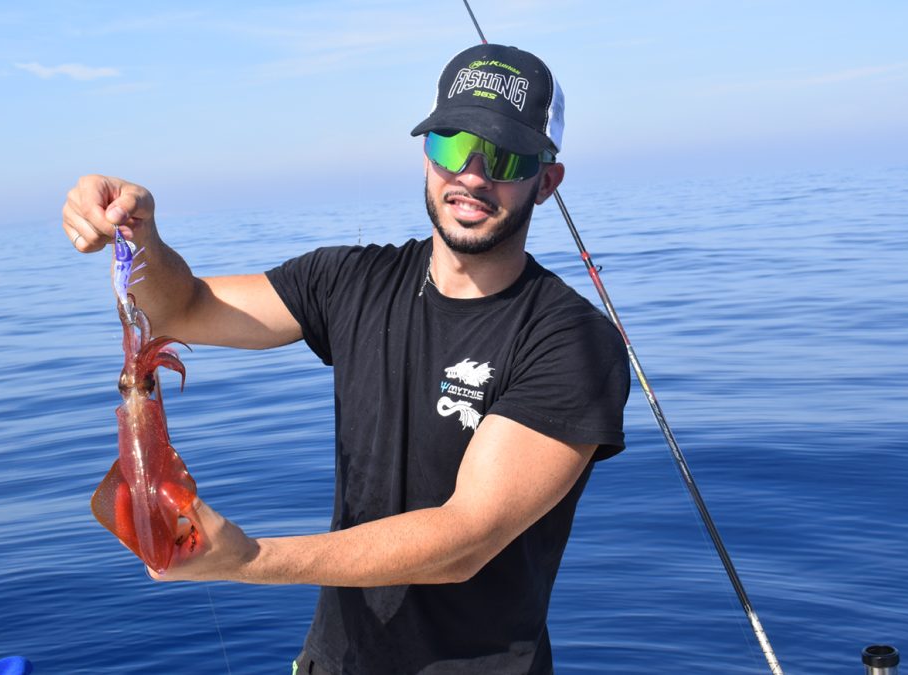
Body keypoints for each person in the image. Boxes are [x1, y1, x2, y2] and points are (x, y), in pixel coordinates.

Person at [63, 43, 630, 675]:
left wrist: (251, 560)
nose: (472, 175)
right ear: (426, 155)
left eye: (505, 156)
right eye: (451, 144)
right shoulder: (348, 281)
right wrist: (138, 235)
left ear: (546, 181)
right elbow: (182, 309)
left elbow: (465, 538)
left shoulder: (574, 343)